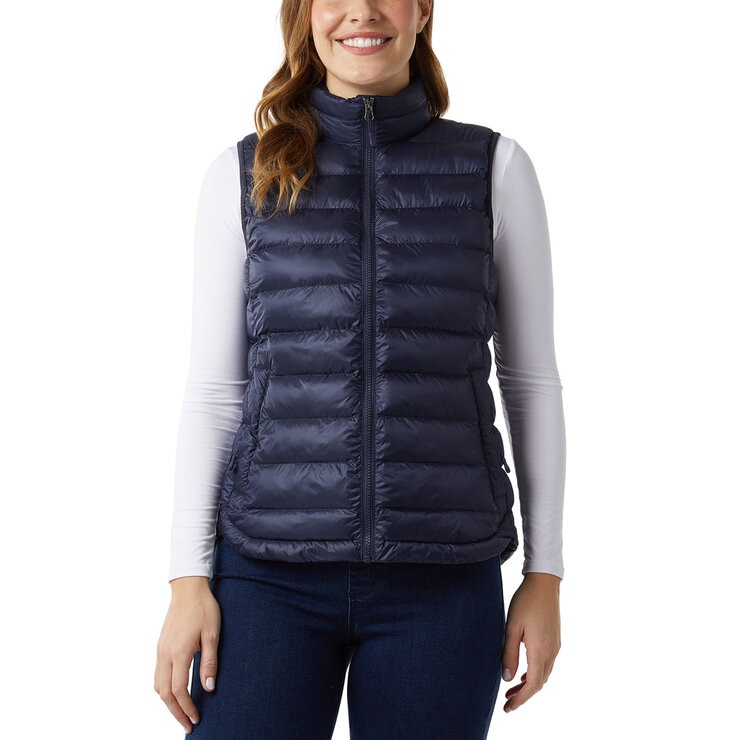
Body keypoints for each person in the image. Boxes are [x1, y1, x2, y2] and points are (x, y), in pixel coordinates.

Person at [154, 0, 566, 737]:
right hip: (266, 578)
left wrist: (545, 573)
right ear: (306, 13)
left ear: (423, 10)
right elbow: (216, 394)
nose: (362, 12)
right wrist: (187, 579)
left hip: (443, 582)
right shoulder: (244, 174)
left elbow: (530, 383)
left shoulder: (494, 168)